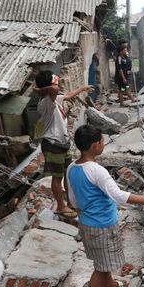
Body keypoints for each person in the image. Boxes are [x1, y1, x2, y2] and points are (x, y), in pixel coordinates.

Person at [67, 124, 144, 287]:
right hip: (102, 225)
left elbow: (73, 200)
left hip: (87, 223)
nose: (104, 144)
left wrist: (85, 214)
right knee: (101, 267)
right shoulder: (97, 171)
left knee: (103, 260)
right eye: (102, 141)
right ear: (95, 145)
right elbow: (118, 196)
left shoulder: (71, 168)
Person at [34, 70, 93, 219]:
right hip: (52, 143)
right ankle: (61, 206)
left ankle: (70, 203)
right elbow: (54, 90)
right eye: (55, 81)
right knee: (57, 177)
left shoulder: (55, 99)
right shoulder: (46, 102)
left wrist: (83, 88)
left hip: (62, 143)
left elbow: (68, 95)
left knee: (67, 174)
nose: (58, 84)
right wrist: (41, 89)